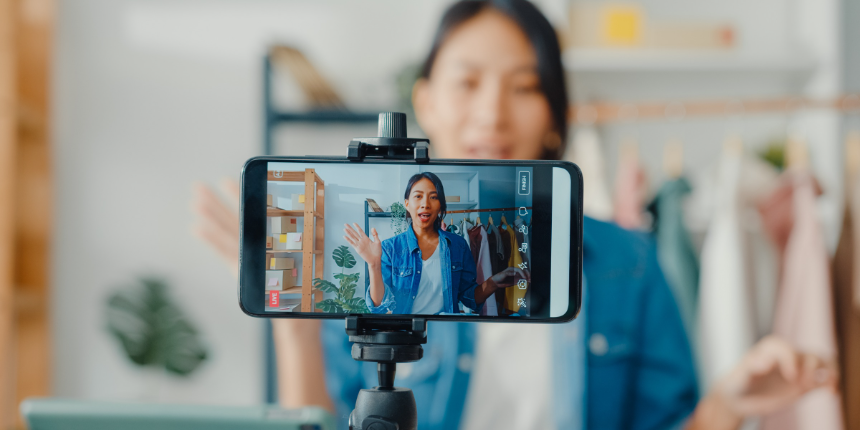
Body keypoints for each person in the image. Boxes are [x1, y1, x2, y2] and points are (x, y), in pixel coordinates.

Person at [193, 1, 838, 429]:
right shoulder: (384, 266)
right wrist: (296, 327)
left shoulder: (626, 266)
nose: (493, 114)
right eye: (468, 82)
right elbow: (323, 418)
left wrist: (726, 408)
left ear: (556, 114)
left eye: (525, 87)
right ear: (426, 101)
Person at [344, 172, 526, 315]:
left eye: (433, 197)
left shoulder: (458, 245)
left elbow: (470, 298)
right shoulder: (390, 249)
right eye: (418, 196)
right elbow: (379, 306)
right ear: (407, 203)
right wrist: (374, 265)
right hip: (405, 334)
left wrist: (493, 282)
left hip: (445, 335)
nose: (425, 204)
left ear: (440, 205)